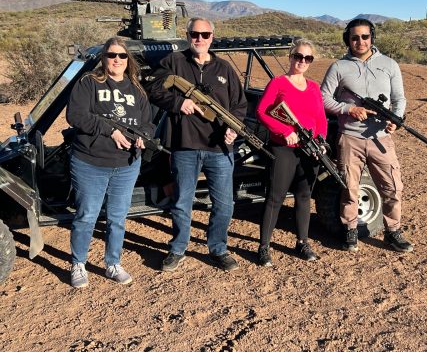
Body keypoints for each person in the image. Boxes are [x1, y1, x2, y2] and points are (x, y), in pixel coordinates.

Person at [149, 17, 247, 272]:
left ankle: (218, 249)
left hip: (220, 148)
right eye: (195, 34)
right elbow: (154, 89)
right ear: (188, 34)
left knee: (224, 203)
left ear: (212, 37)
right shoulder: (174, 62)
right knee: (182, 200)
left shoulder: (224, 69)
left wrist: (232, 128)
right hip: (185, 145)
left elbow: (239, 105)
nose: (200, 39)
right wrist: (178, 103)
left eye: (205, 35)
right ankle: (178, 248)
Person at [66, 37, 154, 288]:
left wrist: (142, 137)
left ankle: (112, 263)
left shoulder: (136, 88)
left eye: (122, 56)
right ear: (103, 58)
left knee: (118, 216)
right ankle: (78, 263)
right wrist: (110, 131)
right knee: (86, 215)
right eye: (111, 55)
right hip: (90, 162)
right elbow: (76, 115)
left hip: (126, 165)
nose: (117, 59)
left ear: (128, 60)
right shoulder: (89, 83)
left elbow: (148, 122)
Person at [321, 18, 414, 253]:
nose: (360, 41)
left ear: (372, 37)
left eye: (364, 36)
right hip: (350, 137)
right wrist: (348, 109)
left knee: (392, 187)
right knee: (350, 188)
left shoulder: (389, 64)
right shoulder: (339, 67)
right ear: (347, 39)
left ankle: (393, 232)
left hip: (381, 138)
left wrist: (396, 119)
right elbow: (323, 98)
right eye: (354, 37)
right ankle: (350, 230)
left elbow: (399, 99)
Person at [256, 38, 328, 267]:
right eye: (298, 56)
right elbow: (262, 111)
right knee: (275, 198)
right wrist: (285, 131)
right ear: (290, 57)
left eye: (307, 58)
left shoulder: (314, 87)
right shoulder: (278, 83)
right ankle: (264, 247)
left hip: (310, 149)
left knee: (304, 196)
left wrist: (322, 142)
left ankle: (302, 242)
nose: (302, 61)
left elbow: (321, 118)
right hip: (284, 148)